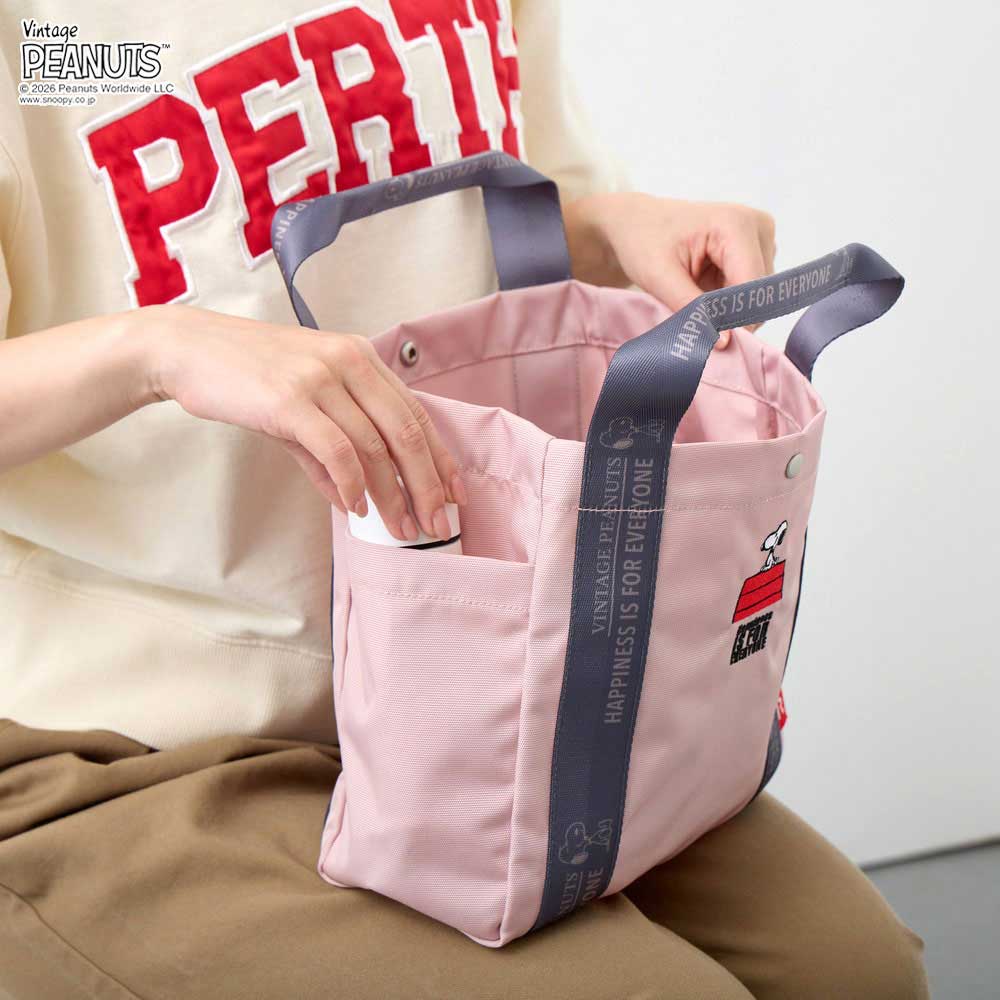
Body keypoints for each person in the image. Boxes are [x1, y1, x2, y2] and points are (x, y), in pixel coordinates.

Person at [0, 3, 929, 997]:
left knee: (858, 973)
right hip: (134, 738)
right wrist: (154, 349)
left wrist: (610, 227)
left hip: (494, 679)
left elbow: (495, 215)